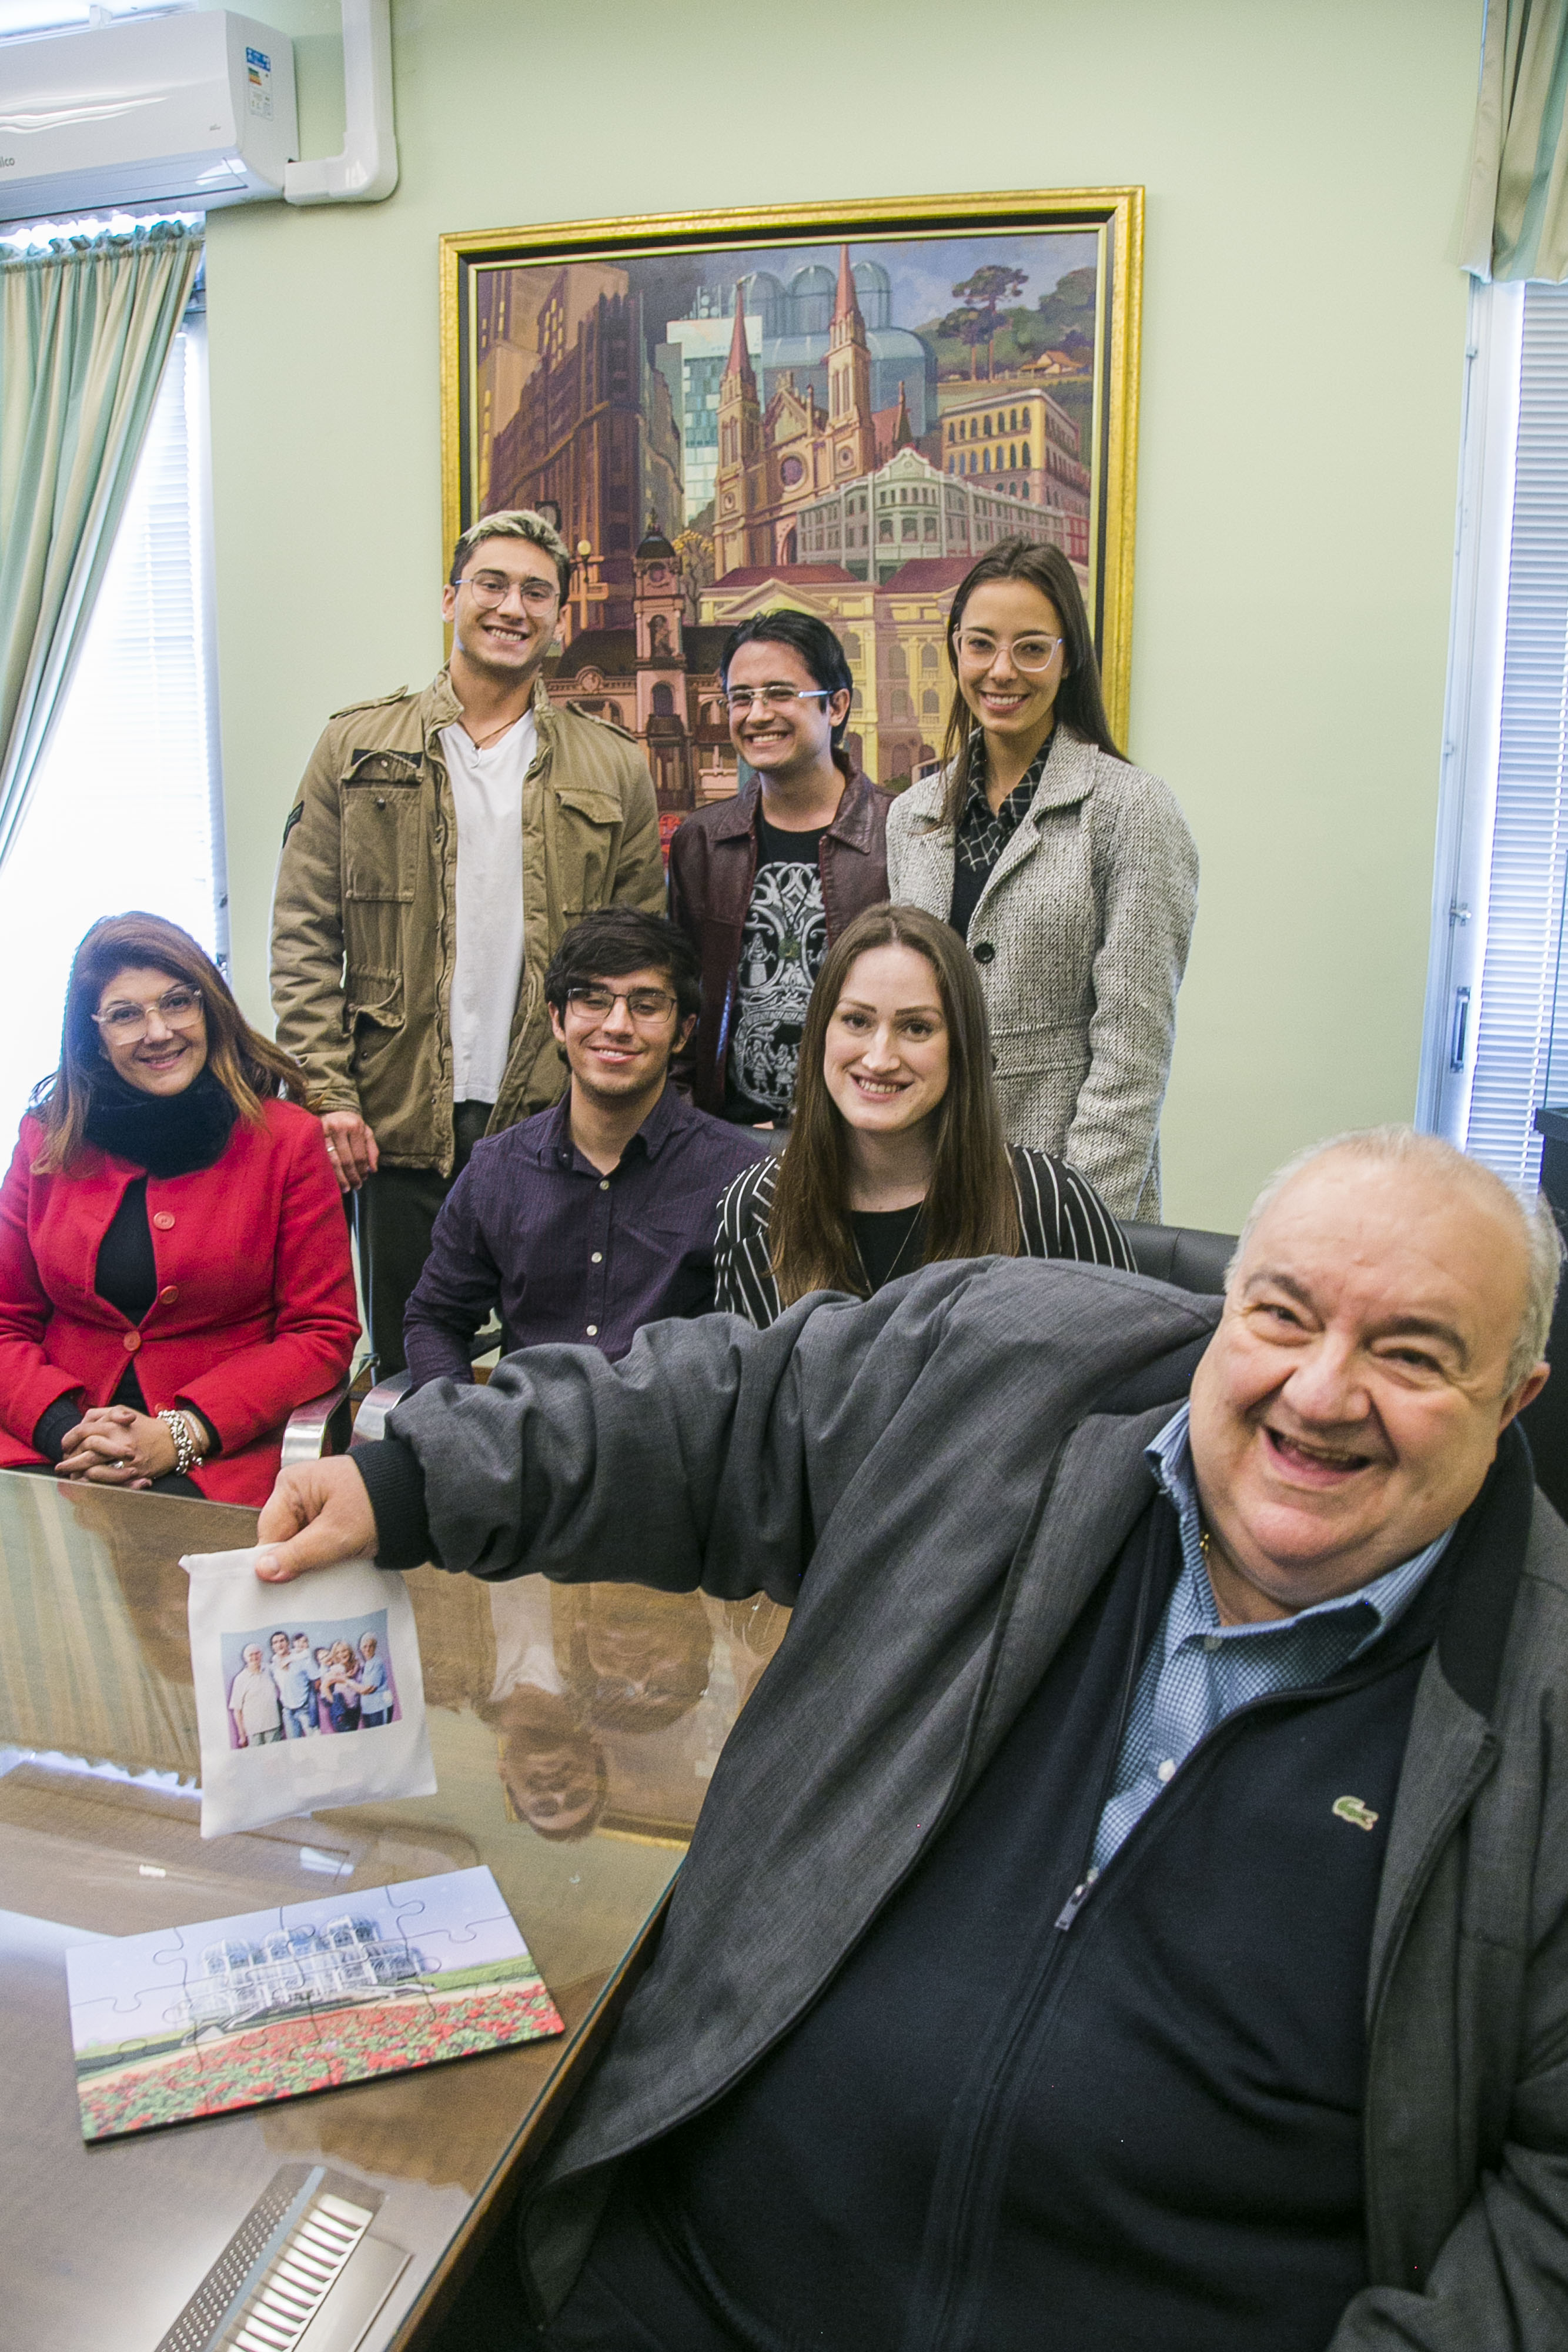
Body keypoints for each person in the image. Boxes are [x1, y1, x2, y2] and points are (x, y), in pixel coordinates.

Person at [256, 1127, 1568, 2351]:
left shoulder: (1543, 1696)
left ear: (1513, 1398)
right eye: (1281, 1313)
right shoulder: (1006, 1365)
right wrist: (407, 1481)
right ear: (1225, 1306)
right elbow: (712, 1414)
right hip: (693, 2287)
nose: (1319, 1389)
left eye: (1408, 1352)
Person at [270, 509, 666, 1374]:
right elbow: (303, 937)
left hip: (557, 1118)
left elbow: (640, 958)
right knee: (415, 1375)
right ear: (450, 597)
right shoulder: (355, 747)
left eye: (536, 592)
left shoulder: (613, 766)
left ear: (559, 621)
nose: (510, 607)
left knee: (559, 1378)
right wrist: (329, 1093)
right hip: (394, 1119)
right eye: (491, 584)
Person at [886, 539, 1199, 1219]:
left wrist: (1075, 1223)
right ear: (955, 649)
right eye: (980, 645)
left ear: (1068, 658)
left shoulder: (1131, 809)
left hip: (1066, 1189)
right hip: (926, 1189)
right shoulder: (911, 816)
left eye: (1031, 648)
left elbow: (1133, 1050)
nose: (1002, 671)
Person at [0, 913, 358, 1505]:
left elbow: (321, 1333)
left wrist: (179, 1435)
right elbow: (6, 1321)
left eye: (176, 1002)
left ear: (209, 1009)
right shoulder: (46, 1139)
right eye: (124, 1014)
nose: (158, 1031)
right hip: (55, 1442)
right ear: (92, 1033)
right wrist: (70, 1433)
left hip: (219, 1451)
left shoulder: (287, 1141)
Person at [714, 903, 1132, 1325]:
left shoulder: (1050, 1203)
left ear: (960, 1047)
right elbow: (751, 1388)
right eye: (856, 1021)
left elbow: (1129, 1381)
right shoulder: (755, 1205)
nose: (879, 1059)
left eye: (916, 1028)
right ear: (821, 1032)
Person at [402, 910, 770, 1384]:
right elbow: (435, 1317)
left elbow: (765, 1353)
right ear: (557, 1019)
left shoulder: (741, 1178)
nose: (616, 1025)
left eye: (646, 1004)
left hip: (670, 1447)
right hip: (525, 1445)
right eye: (592, 1000)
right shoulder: (498, 1168)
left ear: (683, 1031)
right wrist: (457, 1426)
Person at [668, 612, 892, 1126]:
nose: (756, 714)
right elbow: (681, 1003)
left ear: (836, 706)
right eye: (740, 698)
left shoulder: (900, 832)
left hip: (857, 1137)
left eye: (779, 693)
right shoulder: (700, 842)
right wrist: (689, 1125)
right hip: (726, 1139)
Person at [229, 1643, 283, 1749]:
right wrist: (242, 1735)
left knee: (276, 1760)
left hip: (274, 1726)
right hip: (253, 1731)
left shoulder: (269, 1670)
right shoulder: (240, 1679)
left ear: (261, 1655)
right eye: (251, 1655)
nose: (254, 1657)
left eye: (257, 1653)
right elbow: (237, 1710)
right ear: (245, 1658)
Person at [270, 1628, 318, 1739]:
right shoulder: (273, 1666)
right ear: (273, 1647)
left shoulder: (302, 1658)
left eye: (282, 1641)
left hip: (304, 1709)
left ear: (288, 1643)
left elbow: (317, 1681)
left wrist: (309, 1701)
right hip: (287, 1712)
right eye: (275, 1643)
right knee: (294, 1746)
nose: (279, 1645)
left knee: (316, 1743)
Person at [356, 1631, 393, 1726]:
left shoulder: (378, 1663)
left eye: (371, 1646)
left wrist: (347, 1682)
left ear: (375, 1648)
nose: (368, 1649)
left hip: (379, 1708)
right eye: (365, 1646)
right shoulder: (365, 1664)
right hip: (368, 1710)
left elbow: (370, 1689)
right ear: (360, 1648)